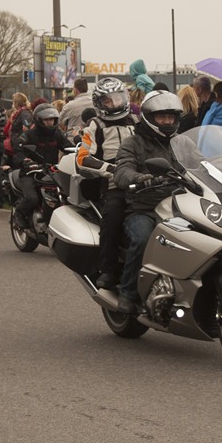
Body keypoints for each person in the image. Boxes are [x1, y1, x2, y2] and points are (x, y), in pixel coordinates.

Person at [114, 91, 187, 314]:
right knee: (143, 238)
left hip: (181, 206)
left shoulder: (182, 143)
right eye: (161, 117)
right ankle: (127, 292)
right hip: (144, 208)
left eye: (170, 117)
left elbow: (201, 164)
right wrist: (137, 178)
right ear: (148, 117)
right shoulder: (133, 143)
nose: (167, 121)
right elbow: (122, 169)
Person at [76, 77, 136, 290]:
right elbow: (83, 158)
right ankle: (108, 269)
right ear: (99, 104)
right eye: (108, 101)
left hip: (141, 180)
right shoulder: (95, 125)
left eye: (117, 99)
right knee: (112, 217)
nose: (114, 104)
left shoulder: (136, 122)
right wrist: (110, 170)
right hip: (113, 184)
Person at [12, 103, 73, 228]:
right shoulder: (29, 135)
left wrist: (78, 151)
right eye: (46, 120)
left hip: (51, 172)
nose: (50, 122)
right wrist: (26, 161)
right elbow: (18, 152)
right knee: (32, 198)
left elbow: (68, 146)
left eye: (51, 119)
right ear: (39, 120)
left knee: (68, 195)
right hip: (30, 173)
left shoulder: (57, 134)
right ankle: (18, 214)